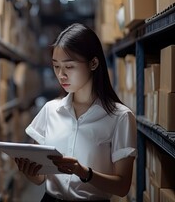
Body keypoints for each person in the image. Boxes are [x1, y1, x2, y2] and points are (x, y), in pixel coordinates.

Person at [14, 23, 137, 201]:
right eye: (56, 66)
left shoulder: (120, 117)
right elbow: (40, 179)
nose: (61, 75)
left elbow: (122, 186)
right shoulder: (50, 110)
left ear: (93, 63)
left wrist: (83, 172)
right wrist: (29, 171)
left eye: (69, 67)